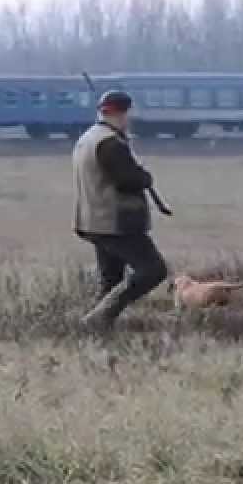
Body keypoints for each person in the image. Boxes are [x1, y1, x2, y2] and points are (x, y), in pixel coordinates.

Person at [72, 90, 168, 330]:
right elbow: (128, 180)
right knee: (152, 270)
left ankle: (94, 329)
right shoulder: (110, 143)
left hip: (92, 220)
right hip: (116, 221)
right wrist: (145, 176)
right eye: (127, 114)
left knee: (111, 280)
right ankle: (97, 318)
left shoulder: (88, 138)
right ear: (122, 114)